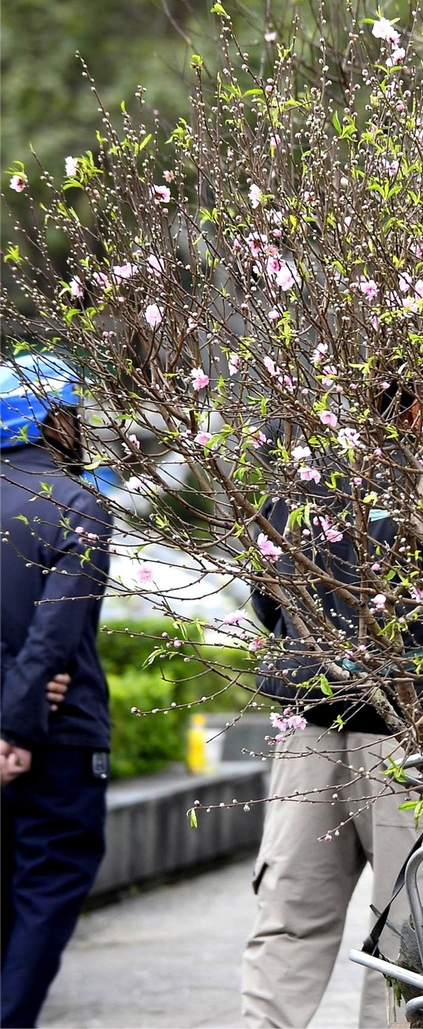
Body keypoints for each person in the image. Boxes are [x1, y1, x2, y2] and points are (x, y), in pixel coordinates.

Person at [240, 377, 423, 1029]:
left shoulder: (300, 481)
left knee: (289, 921)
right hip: (405, 736)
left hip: (309, 727)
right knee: (408, 933)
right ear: (415, 402)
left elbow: (267, 602)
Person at [1, 354, 112, 1027]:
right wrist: (14, 726)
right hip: (55, 740)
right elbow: (55, 632)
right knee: (47, 891)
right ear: (51, 421)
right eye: (72, 413)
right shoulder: (76, 505)